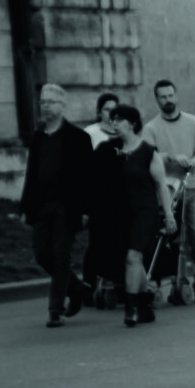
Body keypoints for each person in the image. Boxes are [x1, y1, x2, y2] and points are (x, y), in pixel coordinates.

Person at [18, 83, 93, 328]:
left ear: (63, 105)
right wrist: (24, 208)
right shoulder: (38, 138)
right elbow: (31, 174)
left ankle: (55, 309)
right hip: (42, 205)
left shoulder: (78, 138)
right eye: (42, 102)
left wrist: (86, 209)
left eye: (51, 102)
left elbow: (87, 178)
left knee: (60, 255)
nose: (45, 106)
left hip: (67, 206)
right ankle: (77, 287)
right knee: (42, 254)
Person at [141, 79, 195, 302]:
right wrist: (170, 158)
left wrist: (190, 163)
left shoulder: (194, 123)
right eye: (163, 97)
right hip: (166, 193)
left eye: (170, 95)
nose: (168, 100)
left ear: (176, 96)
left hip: (192, 189)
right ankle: (168, 280)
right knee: (166, 240)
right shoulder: (151, 128)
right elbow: (147, 157)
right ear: (157, 100)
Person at [109, 105, 177, 326]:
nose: (114, 123)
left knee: (133, 256)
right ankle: (145, 305)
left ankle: (131, 308)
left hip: (145, 213)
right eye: (112, 120)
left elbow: (161, 186)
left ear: (132, 123)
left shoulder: (148, 152)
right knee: (134, 260)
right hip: (122, 214)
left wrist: (168, 215)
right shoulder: (112, 151)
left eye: (119, 119)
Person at [82, 92, 121, 299]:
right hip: (97, 196)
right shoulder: (91, 133)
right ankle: (89, 286)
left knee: (117, 243)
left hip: (120, 197)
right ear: (99, 112)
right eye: (107, 109)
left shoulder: (124, 133)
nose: (111, 113)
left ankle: (115, 284)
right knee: (96, 244)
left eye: (115, 109)